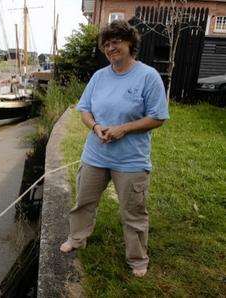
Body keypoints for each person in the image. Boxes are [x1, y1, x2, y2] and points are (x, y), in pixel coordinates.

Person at [59, 20, 169, 278]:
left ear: (130, 44)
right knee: (83, 202)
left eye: (116, 42)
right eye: (106, 44)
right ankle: (77, 238)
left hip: (131, 160)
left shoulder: (148, 76)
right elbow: (84, 109)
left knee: (133, 212)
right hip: (95, 154)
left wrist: (124, 129)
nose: (110, 48)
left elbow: (158, 117)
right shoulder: (99, 77)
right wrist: (95, 127)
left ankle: (137, 258)